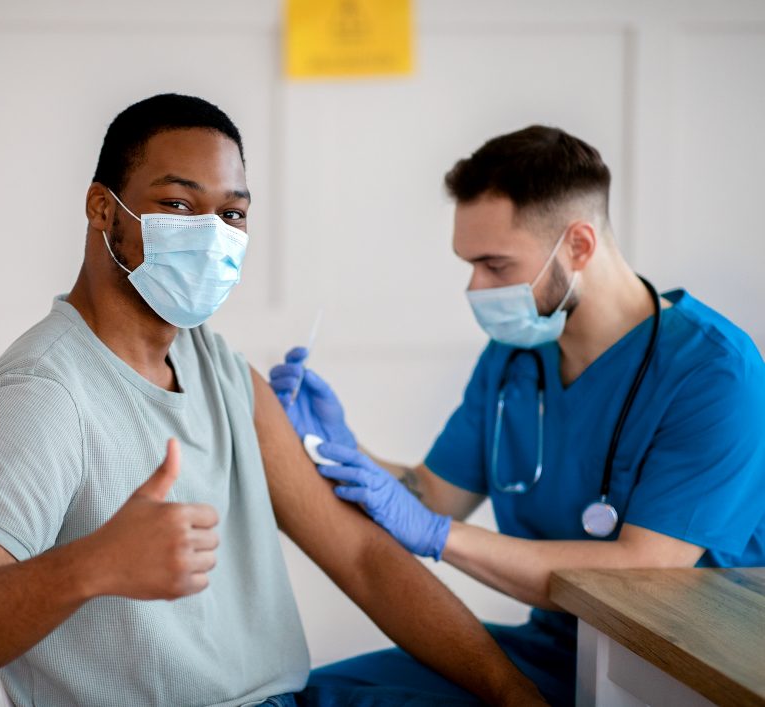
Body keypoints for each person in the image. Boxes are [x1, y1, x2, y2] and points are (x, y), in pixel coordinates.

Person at [0, 94, 545, 707]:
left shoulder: (223, 372)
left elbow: (363, 558)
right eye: (177, 204)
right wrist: (89, 565)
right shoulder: (45, 396)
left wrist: (516, 695)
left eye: (231, 214)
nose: (211, 233)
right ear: (103, 209)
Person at [270, 125, 765, 707]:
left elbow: (644, 570)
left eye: (495, 265)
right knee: (304, 698)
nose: (475, 287)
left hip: (673, 668)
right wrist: (331, 445)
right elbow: (428, 495)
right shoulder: (515, 356)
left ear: (579, 245)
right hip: (556, 650)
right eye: (469, 265)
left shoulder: (715, 371)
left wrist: (438, 537)